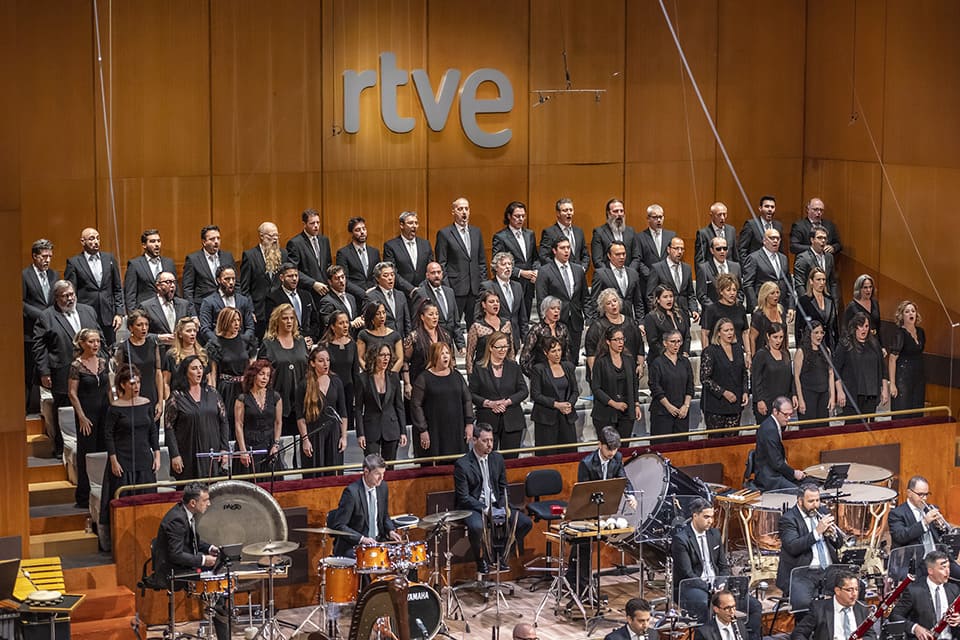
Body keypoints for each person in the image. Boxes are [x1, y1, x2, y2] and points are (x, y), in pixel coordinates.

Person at [672, 500, 762, 639]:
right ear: (695, 516)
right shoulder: (681, 539)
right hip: (692, 587)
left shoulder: (714, 534)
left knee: (755, 606)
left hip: (718, 587)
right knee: (705, 604)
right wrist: (710, 588)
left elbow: (723, 566)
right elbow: (687, 574)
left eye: (712, 517)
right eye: (706, 517)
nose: (710, 521)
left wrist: (721, 582)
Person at [567, 427, 639, 595]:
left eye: (615, 449)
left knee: (590, 546)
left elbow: (622, 478)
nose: (612, 453)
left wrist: (630, 495)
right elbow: (584, 492)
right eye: (609, 449)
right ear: (600, 444)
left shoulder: (618, 457)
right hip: (587, 509)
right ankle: (579, 585)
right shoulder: (586, 463)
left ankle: (577, 580)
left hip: (605, 507)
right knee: (583, 546)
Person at [453, 423, 532, 573]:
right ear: (474, 440)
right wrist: (486, 509)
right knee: (477, 527)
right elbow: (464, 497)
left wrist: (502, 506)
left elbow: (503, 488)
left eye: (491, 440)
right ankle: (480, 560)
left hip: (497, 504)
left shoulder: (497, 459)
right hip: (475, 507)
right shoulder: (462, 464)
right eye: (485, 441)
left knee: (524, 523)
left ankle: (501, 555)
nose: (490, 445)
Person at [152, 482, 227, 640]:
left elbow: (195, 542)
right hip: (172, 570)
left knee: (222, 574)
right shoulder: (177, 520)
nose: (209, 503)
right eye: (205, 500)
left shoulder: (186, 514)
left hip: (182, 565)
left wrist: (210, 548)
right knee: (218, 585)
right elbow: (176, 554)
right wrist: (203, 560)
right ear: (193, 503)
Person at [33, 280, 100, 458]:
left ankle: (92, 444)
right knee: (63, 410)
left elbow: (100, 337)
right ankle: (61, 447)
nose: (70, 298)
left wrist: (104, 359)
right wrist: (44, 371)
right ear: (56, 298)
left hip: (91, 370)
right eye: (65, 296)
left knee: (91, 407)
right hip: (61, 371)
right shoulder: (46, 316)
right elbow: (39, 346)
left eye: (72, 294)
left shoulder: (88, 311)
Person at [100, 364, 161, 549]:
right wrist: (113, 459)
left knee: (147, 498)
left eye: (139, 382)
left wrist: (157, 455)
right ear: (124, 384)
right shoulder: (115, 408)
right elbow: (108, 435)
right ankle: (122, 541)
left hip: (144, 458)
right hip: (122, 460)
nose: (137, 386)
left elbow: (152, 431)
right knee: (124, 499)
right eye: (133, 383)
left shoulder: (146, 403)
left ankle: (147, 538)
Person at [777, 482, 843, 610]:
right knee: (803, 603)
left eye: (818, 500)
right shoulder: (788, 519)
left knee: (855, 589)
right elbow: (793, 547)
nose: (815, 505)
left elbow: (839, 544)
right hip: (803, 573)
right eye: (811, 501)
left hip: (829, 570)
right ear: (800, 501)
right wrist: (817, 532)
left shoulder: (822, 511)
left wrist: (832, 535)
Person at [165, 355, 229, 480]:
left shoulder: (213, 393)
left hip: (211, 451)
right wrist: (175, 455)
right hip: (188, 453)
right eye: (194, 368)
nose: (199, 371)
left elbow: (224, 421)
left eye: (200, 368)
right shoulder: (177, 396)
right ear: (185, 372)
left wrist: (224, 448)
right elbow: (169, 428)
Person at [67, 328, 110, 508]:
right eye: (91, 341)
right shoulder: (76, 366)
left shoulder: (103, 362)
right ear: (82, 343)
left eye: (98, 341)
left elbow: (108, 389)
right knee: (88, 453)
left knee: (105, 451)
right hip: (87, 415)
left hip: (104, 413)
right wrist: (82, 417)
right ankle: (84, 496)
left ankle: (103, 492)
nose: (96, 345)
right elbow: (72, 393)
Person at [888, 475, 960, 581]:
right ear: (909, 493)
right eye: (920, 494)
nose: (924, 498)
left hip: (938, 559)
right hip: (916, 562)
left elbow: (941, 535)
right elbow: (900, 536)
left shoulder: (931, 508)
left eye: (927, 494)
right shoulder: (897, 513)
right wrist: (924, 522)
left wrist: (940, 527)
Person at [411, 341, 474, 461]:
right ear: (434, 356)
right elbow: (416, 405)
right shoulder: (423, 378)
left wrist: (469, 423)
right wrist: (422, 430)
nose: (446, 356)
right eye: (442, 353)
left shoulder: (457, 376)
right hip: (434, 430)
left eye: (447, 353)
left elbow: (467, 400)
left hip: (456, 429)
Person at [469, 331, 528, 457]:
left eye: (505, 347)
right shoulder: (479, 368)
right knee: (488, 459)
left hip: (512, 420)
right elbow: (471, 394)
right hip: (488, 421)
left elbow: (523, 391)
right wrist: (489, 403)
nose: (503, 350)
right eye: (499, 347)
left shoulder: (513, 366)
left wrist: (507, 402)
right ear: (490, 347)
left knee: (511, 461)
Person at [331, 454, 402, 556]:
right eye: (378, 474)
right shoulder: (352, 492)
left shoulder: (382, 487)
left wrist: (390, 531)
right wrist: (362, 539)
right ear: (366, 472)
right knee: (364, 563)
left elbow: (384, 515)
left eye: (383, 474)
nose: (381, 478)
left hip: (379, 541)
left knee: (406, 559)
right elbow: (339, 525)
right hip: (354, 544)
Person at [258, 304, 309, 444]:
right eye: (285, 318)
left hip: (301, 400)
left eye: (292, 318)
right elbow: (261, 374)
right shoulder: (268, 344)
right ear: (276, 321)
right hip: (278, 401)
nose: (289, 321)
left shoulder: (300, 341)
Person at [64, 227, 123, 344]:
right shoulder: (74, 262)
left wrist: (119, 313)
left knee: (109, 349)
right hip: (86, 314)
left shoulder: (109, 258)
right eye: (91, 239)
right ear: (83, 241)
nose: (95, 242)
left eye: (97, 238)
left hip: (108, 315)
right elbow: (71, 291)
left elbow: (117, 288)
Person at [535, 237, 587, 364]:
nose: (566, 251)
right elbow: (542, 300)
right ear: (554, 250)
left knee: (573, 359)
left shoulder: (578, 269)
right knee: (556, 359)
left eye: (568, 248)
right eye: (562, 248)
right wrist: (546, 323)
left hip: (575, 320)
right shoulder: (545, 271)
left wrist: (589, 318)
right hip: (555, 322)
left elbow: (585, 296)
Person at [298, 346, 349, 474]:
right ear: (312, 363)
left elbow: (343, 412)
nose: (326, 364)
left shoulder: (336, 381)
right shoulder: (304, 384)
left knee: (333, 474)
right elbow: (300, 417)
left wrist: (344, 437)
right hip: (314, 434)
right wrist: (305, 440)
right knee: (315, 473)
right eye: (321, 360)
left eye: (328, 360)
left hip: (334, 434)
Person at [435, 196, 486, 323]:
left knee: (475, 325)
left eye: (466, 209)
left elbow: (481, 262)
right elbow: (442, 263)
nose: (464, 212)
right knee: (453, 324)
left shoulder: (476, 232)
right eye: (460, 209)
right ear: (453, 212)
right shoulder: (445, 233)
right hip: (455, 288)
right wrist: (447, 288)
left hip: (475, 289)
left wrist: (483, 285)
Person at [207, 307, 256, 437]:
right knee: (228, 423)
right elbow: (213, 374)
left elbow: (252, 368)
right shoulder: (215, 343)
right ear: (225, 321)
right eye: (233, 320)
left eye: (238, 320)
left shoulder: (246, 341)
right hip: (226, 389)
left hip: (244, 387)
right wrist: (213, 396)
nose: (237, 324)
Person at [891, 550, 960, 640]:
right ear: (930, 571)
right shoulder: (913, 591)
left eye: (948, 567)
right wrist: (915, 628)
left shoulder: (954, 588)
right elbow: (895, 615)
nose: (948, 572)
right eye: (943, 568)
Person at [23, 238, 58, 414]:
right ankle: (29, 409)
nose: (47, 260)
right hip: (31, 331)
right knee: (30, 372)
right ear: (35, 256)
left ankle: (42, 409)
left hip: (49, 331)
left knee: (48, 369)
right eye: (44, 256)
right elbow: (21, 303)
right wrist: (42, 315)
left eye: (50, 256)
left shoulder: (54, 275)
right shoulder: (24, 275)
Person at [529, 336, 579, 456]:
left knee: (569, 454)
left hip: (567, 416)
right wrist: (556, 405)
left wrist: (569, 404)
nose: (557, 354)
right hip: (546, 418)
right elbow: (536, 395)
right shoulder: (538, 369)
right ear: (546, 353)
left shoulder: (568, 367)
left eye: (559, 350)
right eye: (553, 351)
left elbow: (575, 391)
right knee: (548, 454)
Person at [790, 570, 875, 640]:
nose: (855, 594)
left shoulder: (862, 608)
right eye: (850, 590)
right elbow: (798, 633)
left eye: (856, 589)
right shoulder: (819, 608)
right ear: (837, 591)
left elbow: (871, 635)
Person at [356, 344, 407, 461]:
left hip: (391, 429)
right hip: (370, 430)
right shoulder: (362, 378)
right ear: (374, 357)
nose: (386, 358)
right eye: (382, 355)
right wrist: (360, 434)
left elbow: (399, 406)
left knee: (390, 468)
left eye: (388, 355)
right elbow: (358, 409)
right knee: (372, 466)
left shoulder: (394, 377)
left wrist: (403, 431)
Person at [835, 313, 888, 419]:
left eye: (866, 326)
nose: (864, 329)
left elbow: (882, 368)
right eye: (860, 326)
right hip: (852, 394)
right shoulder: (845, 344)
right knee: (852, 428)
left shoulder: (874, 343)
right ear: (854, 326)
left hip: (871, 393)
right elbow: (836, 370)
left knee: (867, 428)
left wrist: (885, 389)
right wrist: (840, 391)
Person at [240, 221, 288, 339]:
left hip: (279, 309)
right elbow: (245, 288)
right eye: (271, 236)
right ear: (261, 236)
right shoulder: (250, 256)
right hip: (259, 311)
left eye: (277, 235)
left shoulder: (283, 253)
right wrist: (249, 310)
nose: (275, 239)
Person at [700, 318, 748, 438]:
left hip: (735, 404)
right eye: (726, 330)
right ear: (718, 333)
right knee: (716, 443)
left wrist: (745, 391)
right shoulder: (710, 351)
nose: (730, 333)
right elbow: (705, 378)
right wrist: (724, 393)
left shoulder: (737, 349)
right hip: (716, 405)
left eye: (731, 330)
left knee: (732, 443)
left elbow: (743, 373)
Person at [591, 326, 641, 439]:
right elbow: (596, 388)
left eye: (622, 339)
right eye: (617, 339)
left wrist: (636, 404)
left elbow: (634, 384)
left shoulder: (629, 359)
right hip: (606, 412)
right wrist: (614, 404)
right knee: (609, 448)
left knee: (624, 448)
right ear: (608, 341)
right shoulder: (600, 362)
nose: (620, 343)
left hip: (627, 412)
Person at [491, 201, 538, 323]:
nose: (521, 219)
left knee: (525, 318)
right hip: (512, 282)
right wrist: (521, 272)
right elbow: (497, 262)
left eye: (523, 216)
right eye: (517, 216)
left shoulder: (530, 234)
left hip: (529, 283)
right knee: (511, 319)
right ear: (509, 216)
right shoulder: (500, 237)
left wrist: (535, 271)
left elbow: (535, 258)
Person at [114, 310, 164, 423]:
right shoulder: (124, 347)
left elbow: (158, 372)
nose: (144, 328)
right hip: (132, 395)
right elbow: (118, 378)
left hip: (151, 394)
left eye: (146, 324)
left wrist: (160, 401)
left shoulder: (152, 343)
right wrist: (122, 401)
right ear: (131, 328)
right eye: (139, 325)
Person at [584, 288, 645, 380]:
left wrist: (640, 365)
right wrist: (594, 372)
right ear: (603, 308)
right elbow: (591, 352)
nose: (613, 304)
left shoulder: (631, 323)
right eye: (608, 303)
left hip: (629, 371)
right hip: (606, 374)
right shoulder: (597, 327)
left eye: (615, 301)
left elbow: (639, 345)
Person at [233, 360, 282, 474]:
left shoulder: (276, 397)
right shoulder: (242, 398)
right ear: (253, 375)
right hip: (249, 446)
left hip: (269, 446)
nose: (265, 378)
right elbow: (238, 425)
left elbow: (278, 423)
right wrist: (242, 450)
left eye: (268, 375)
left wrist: (276, 444)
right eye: (261, 374)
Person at [648, 330, 694, 443]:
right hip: (662, 413)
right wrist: (669, 406)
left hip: (682, 413)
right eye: (673, 342)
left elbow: (690, 385)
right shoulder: (657, 363)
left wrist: (686, 406)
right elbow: (655, 388)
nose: (676, 345)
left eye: (679, 342)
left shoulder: (685, 362)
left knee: (681, 447)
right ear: (665, 343)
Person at [403, 299, 455, 397]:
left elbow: (451, 360)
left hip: (441, 382)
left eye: (436, 314)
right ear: (422, 317)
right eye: (431, 314)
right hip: (419, 382)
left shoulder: (445, 335)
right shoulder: (414, 337)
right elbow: (405, 361)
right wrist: (407, 384)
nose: (435, 317)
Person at [319, 311, 360, 434]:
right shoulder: (325, 346)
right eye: (341, 323)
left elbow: (355, 371)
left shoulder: (352, 344)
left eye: (347, 322)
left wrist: (357, 394)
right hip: (331, 391)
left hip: (348, 390)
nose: (345, 326)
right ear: (333, 326)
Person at [382, 210, 434, 306]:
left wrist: (422, 289)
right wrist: (411, 289)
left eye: (416, 223)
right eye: (410, 223)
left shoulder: (426, 244)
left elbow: (430, 268)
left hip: (424, 293)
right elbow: (392, 272)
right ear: (401, 225)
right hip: (403, 294)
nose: (414, 226)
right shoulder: (391, 246)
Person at [754, 396, 805, 491]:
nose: (789, 418)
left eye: (791, 414)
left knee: (808, 483)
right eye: (785, 414)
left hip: (775, 471)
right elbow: (776, 463)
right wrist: (794, 473)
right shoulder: (769, 429)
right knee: (799, 492)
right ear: (775, 411)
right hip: (769, 477)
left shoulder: (774, 424)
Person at [645, 236, 700, 324]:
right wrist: (656, 315)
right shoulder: (657, 268)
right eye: (676, 248)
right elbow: (650, 296)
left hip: (683, 317)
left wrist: (694, 309)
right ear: (668, 249)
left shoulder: (687, 268)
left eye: (682, 249)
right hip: (663, 318)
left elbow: (690, 294)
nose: (679, 252)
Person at [182, 225, 236, 311]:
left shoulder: (227, 256)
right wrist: (192, 313)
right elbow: (188, 289)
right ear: (204, 242)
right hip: (203, 308)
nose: (216, 242)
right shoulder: (193, 259)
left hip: (227, 306)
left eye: (218, 238)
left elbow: (236, 284)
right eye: (212, 239)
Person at [198, 265, 256, 345]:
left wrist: (242, 342)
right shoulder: (208, 302)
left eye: (233, 279)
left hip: (241, 346)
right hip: (219, 347)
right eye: (227, 279)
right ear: (218, 280)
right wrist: (220, 344)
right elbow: (205, 329)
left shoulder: (243, 300)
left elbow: (250, 327)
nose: (231, 282)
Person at [285, 208, 332, 305]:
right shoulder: (295, 243)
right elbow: (293, 270)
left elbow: (328, 264)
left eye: (318, 223)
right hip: (308, 291)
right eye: (312, 223)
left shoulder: (324, 240)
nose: (316, 226)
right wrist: (313, 283)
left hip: (325, 291)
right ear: (304, 224)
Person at [140, 271, 196, 352]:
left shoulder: (184, 304)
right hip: (158, 353)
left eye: (174, 282)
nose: (173, 285)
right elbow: (140, 334)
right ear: (158, 286)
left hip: (181, 352)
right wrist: (158, 337)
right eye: (168, 282)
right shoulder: (146, 307)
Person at [481, 252, 527, 351]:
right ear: (496, 268)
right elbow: (479, 314)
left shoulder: (517, 286)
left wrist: (525, 339)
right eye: (503, 264)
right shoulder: (488, 286)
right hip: (495, 339)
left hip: (514, 338)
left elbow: (522, 316)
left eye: (509, 264)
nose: (507, 267)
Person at [416, 261, 465, 353]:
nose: (436, 275)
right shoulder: (421, 293)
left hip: (448, 344)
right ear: (427, 275)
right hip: (431, 345)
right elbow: (417, 320)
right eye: (433, 273)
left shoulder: (449, 292)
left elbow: (455, 321)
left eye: (439, 272)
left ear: (442, 274)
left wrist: (460, 344)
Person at [590, 241, 645, 322]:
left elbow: (638, 301)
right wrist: (597, 324)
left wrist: (640, 322)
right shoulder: (601, 274)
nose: (622, 257)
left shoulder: (633, 273)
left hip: (629, 322)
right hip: (608, 323)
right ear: (609, 256)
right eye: (617, 254)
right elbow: (594, 302)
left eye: (624, 254)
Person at [264, 262, 318, 345]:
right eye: (290, 276)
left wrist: (311, 338)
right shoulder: (273, 298)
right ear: (282, 278)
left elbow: (315, 321)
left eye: (296, 275)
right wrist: (298, 341)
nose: (294, 279)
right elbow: (272, 325)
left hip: (309, 342)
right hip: (287, 344)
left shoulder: (306, 295)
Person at [751, 323, 797, 421]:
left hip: (783, 403)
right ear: (768, 336)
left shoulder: (786, 354)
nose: (778, 341)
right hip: (766, 403)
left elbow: (790, 377)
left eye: (781, 337)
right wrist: (760, 400)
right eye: (775, 337)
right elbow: (755, 379)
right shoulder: (761, 355)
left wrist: (793, 394)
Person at [124, 228, 177, 312]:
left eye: (158, 241)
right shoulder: (134, 264)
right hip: (145, 311)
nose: (157, 244)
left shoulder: (169, 263)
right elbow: (130, 294)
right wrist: (133, 316)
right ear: (144, 245)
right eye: (152, 241)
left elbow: (175, 289)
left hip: (166, 309)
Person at [890, 300, 926, 418]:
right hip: (903, 378)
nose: (911, 314)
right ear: (902, 316)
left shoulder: (921, 332)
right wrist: (893, 384)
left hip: (918, 377)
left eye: (913, 311)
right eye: (907, 311)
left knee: (917, 412)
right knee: (903, 413)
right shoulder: (900, 334)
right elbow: (892, 359)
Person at [743, 227, 793, 313]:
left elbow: (788, 283)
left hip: (781, 307)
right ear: (764, 241)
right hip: (762, 306)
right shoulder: (754, 258)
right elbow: (748, 284)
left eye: (777, 238)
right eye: (772, 238)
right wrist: (755, 306)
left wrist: (791, 306)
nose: (775, 241)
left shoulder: (783, 258)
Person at [794, 321, 836, 423]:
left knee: (822, 428)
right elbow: (796, 377)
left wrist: (832, 397)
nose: (819, 336)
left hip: (823, 395)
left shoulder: (826, 351)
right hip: (808, 395)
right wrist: (801, 399)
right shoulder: (801, 352)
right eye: (816, 332)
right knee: (809, 428)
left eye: (821, 333)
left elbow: (831, 374)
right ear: (809, 333)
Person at [465, 289, 515, 375]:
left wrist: (513, 370)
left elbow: (511, 352)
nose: (495, 304)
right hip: (483, 371)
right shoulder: (477, 327)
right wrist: (470, 375)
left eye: (497, 301)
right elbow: (470, 354)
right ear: (484, 305)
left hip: (504, 369)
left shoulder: (507, 324)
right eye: (491, 302)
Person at [519, 296, 571, 375]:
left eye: (558, 309)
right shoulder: (537, 329)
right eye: (553, 308)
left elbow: (567, 353)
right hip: (542, 372)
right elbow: (524, 359)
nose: (556, 311)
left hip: (560, 372)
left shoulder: (563, 328)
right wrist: (534, 376)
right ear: (545, 310)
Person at [700, 273, 749, 351]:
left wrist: (748, 353)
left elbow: (745, 332)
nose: (732, 293)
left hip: (737, 351)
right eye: (728, 290)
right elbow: (704, 333)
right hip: (718, 352)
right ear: (721, 291)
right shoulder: (711, 309)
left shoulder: (740, 308)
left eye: (734, 290)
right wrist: (706, 354)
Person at [793, 227, 841, 304]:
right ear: (812, 240)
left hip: (827, 302)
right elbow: (799, 284)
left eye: (825, 238)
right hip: (810, 302)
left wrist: (835, 302)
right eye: (819, 238)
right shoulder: (803, 258)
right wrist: (807, 303)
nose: (823, 241)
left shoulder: (829, 257)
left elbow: (833, 282)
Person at [162, 317, 210, 395]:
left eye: (194, 330)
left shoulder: (202, 353)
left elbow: (209, 379)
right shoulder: (171, 355)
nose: (192, 333)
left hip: (201, 397)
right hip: (179, 398)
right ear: (180, 334)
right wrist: (169, 402)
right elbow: (166, 382)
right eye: (188, 331)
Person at [363, 261, 411, 338]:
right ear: (377, 278)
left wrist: (409, 338)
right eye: (386, 275)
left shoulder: (400, 295)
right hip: (382, 341)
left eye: (392, 275)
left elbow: (407, 321)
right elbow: (368, 322)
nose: (390, 278)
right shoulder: (371, 297)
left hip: (401, 340)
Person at [795, 266, 839, 351]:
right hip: (811, 346)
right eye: (818, 280)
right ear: (811, 281)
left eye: (824, 280)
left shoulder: (830, 300)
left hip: (829, 345)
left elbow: (835, 327)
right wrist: (799, 348)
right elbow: (798, 327)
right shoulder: (804, 301)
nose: (822, 283)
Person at [336, 216, 380, 301]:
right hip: (355, 297)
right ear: (351, 233)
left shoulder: (374, 252)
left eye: (364, 229)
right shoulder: (343, 253)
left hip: (375, 296)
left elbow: (378, 275)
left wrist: (374, 290)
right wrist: (364, 294)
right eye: (358, 230)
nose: (362, 232)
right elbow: (345, 279)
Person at [539, 197, 589, 269]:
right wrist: (559, 269)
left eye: (571, 210)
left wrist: (583, 268)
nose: (569, 213)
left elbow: (585, 255)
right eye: (565, 210)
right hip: (559, 275)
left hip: (578, 276)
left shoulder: (579, 231)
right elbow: (544, 256)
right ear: (558, 213)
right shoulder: (549, 232)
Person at [644, 285, 691, 362]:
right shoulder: (651, 317)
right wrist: (669, 356)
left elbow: (687, 336)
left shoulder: (680, 313)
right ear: (658, 299)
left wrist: (685, 352)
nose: (669, 299)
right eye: (665, 297)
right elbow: (653, 343)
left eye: (671, 296)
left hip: (680, 358)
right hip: (660, 360)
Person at [591, 198, 640, 270]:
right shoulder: (599, 233)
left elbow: (636, 257)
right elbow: (597, 261)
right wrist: (610, 276)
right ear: (608, 213)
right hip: (608, 277)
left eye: (621, 211)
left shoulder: (631, 231)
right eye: (615, 211)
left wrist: (630, 274)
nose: (619, 214)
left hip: (629, 276)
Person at [696, 236, 743, 310]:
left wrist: (735, 305)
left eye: (725, 248)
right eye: (718, 249)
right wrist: (717, 309)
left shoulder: (736, 267)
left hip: (733, 311)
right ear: (712, 250)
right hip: (713, 313)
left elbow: (740, 291)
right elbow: (702, 295)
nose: (722, 251)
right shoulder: (704, 268)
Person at [357, 301, 404, 374]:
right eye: (378, 314)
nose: (382, 316)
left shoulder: (395, 335)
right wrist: (370, 373)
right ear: (372, 316)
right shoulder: (364, 335)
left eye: (384, 313)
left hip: (391, 376)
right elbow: (360, 358)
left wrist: (390, 375)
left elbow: (400, 359)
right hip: (370, 376)